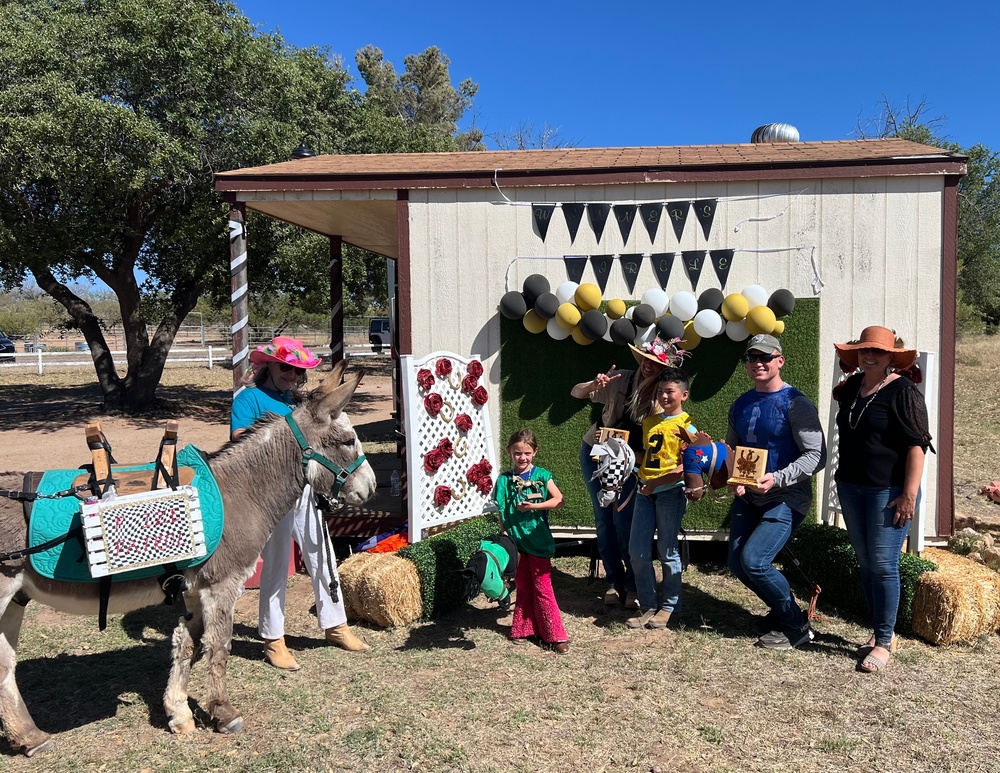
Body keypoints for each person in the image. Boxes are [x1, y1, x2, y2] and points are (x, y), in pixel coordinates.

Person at [230, 336, 368, 670]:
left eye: (296, 371)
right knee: (276, 564)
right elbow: (238, 440)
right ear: (267, 367)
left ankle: (335, 625)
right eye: (284, 368)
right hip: (270, 495)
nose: (291, 376)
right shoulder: (248, 399)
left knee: (323, 555)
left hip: (305, 490)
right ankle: (273, 638)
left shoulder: (299, 404)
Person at [833, 326, 933, 673]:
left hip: (889, 492)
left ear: (892, 357)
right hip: (851, 487)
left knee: (883, 564)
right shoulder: (850, 391)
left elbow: (917, 446)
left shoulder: (904, 391)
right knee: (866, 563)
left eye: (877, 351)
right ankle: (878, 634)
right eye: (863, 351)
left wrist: (909, 494)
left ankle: (885, 641)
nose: (869, 356)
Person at [726, 334, 826, 650]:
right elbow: (734, 450)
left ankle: (796, 627)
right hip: (749, 495)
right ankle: (781, 609)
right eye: (752, 358)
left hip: (786, 496)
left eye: (765, 357)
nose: (759, 363)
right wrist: (734, 477)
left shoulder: (796, 403)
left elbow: (816, 455)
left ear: (779, 360)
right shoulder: (740, 403)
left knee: (755, 560)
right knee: (737, 564)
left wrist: (779, 478)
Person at [570, 341, 668, 608]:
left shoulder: (664, 392)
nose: (649, 365)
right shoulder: (620, 377)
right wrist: (594, 385)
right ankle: (613, 582)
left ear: (663, 367)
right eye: (646, 359)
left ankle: (632, 583)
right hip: (597, 451)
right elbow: (576, 392)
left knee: (624, 521)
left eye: (656, 362)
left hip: (633, 461)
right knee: (603, 518)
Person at [628, 364, 696, 630]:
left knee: (667, 552)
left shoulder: (688, 427)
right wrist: (619, 454)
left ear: (684, 395)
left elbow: (685, 467)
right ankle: (647, 604)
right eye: (660, 392)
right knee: (637, 551)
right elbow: (649, 457)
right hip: (645, 491)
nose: (664, 397)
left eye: (670, 392)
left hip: (669, 493)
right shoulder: (649, 422)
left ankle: (669, 606)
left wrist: (655, 483)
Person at [493, 428, 569, 653]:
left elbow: (559, 500)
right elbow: (501, 510)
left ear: (534, 452)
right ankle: (523, 628)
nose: (522, 458)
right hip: (516, 540)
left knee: (542, 586)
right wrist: (504, 531)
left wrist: (535, 506)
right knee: (524, 585)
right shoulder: (504, 480)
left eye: (526, 453)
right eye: (517, 453)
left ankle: (555, 634)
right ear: (509, 452)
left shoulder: (542, 476)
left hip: (537, 538)